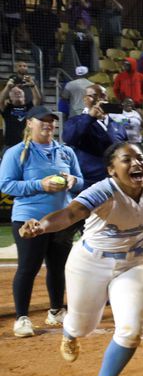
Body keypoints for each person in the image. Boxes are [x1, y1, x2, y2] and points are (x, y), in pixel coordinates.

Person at [19, 142, 143, 376]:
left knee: (133, 329)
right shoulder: (103, 191)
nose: (136, 163)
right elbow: (71, 214)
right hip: (90, 262)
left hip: (136, 262)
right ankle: (70, 333)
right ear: (111, 170)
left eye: (140, 157)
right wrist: (41, 226)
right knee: (82, 325)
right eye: (127, 159)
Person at [1, 106, 82, 337]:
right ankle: (22, 318)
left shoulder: (66, 151)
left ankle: (56, 310)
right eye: (42, 120)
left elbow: (81, 181)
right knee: (28, 268)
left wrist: (72, 180)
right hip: (29, 219)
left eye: (51, 121)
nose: (48, 124)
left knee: (59, 268)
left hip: (62, 219)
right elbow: (6, 184)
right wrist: (40, 185)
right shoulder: (17, 152)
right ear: (29, 123)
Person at [62, 84, 126, 187]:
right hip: (88, 183)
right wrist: (90, 116)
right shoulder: (75, 121)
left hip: (114, 181)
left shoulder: (117, 124)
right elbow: (69, 138)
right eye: (94, 96)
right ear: (85, 100)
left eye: (103, 95)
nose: (99, 99)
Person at [25, 1, 59, 69]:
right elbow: (26, 25)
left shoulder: (53, 16)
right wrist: (27, 36)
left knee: (48, 63)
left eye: (46, 5)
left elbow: (57, 30)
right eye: (43, 5)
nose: (44, 7)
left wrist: (57, 42)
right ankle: (38, 77)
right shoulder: (33, 15)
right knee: (37, 61)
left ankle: (46, 76)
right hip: (36, 42)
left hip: (50, 43)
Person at [2, 83, 35, 147]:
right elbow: (1, 101)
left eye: (19, 92)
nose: (18, 94)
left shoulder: (29, 107)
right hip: (10, 145)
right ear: (10, 97)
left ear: (24, 96)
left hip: (27, 145)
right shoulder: (8, 108)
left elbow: (38, 99)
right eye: (15, 93)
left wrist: (33, 86)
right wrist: (7, 87)